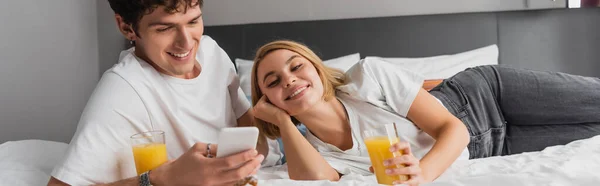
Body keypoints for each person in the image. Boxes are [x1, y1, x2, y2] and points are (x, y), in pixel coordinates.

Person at [250, 40, 600, 185]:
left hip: (486, 97)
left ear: (315, 66)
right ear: (267, 99)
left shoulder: (366, 77)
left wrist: (422, 173)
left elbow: (455, 128)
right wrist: (281, 122)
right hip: (493, 147)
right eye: (274, 82)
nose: (290, 81)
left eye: (297, 67)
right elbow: (313, 181)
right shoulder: (314, 151)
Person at [47, 0, 271, 185]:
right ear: (127, 27)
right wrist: (159, 179)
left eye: (193, 21)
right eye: (165, 28)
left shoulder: (211, 51)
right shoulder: (123, 90)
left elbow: (253, 135)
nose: (186, 43)